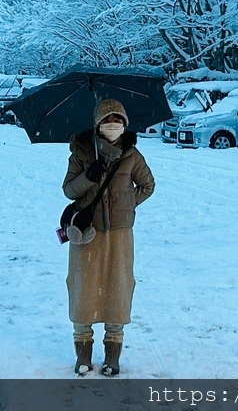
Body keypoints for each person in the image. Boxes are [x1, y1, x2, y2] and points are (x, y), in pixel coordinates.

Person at [62, 98, 155, 376]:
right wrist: (89, 177)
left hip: (119, 233)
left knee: (118, 287)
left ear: (124, 124)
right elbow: (69, 190)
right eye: (107, 120)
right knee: (83, 289)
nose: (112, 125)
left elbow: (147, 186)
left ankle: (112, 354)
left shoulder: (132, 155)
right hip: (86, 233)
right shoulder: (81, 151)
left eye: (117, 121)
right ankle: (83, 354)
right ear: (97, 124)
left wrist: (126, 205)